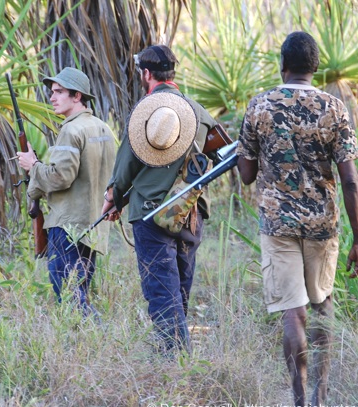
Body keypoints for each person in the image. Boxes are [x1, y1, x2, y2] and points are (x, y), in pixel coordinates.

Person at [237, 32, 358, 407]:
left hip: (278, 224)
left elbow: (245, 174)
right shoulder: (333, 108)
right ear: (316, 66)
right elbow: (350, 180)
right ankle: (320, 401)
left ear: (282, 64)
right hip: (322, 225)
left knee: (293, 316)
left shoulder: (260, 105)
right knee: (323, 306)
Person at [102, 45, 217, 354]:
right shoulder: (200, 112)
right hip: (189, 214)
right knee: (179, 290)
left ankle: (175, 364)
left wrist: (113, 198)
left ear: (147, 74)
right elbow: (216, 157)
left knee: (161, 291)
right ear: (173, 74)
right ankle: (180, 359)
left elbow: (126, 167)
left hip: (151, 214)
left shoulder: (146, 111)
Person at [17, 67, 116, 319]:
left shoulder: (71, 131)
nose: (52, 97)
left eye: (59, 92)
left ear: (77, 96)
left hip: (68, 226)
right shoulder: (103, 128)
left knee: (70, 298)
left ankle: (94, 338)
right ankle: (90, 345)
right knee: (79, 290)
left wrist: (33, 166)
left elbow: (61, 177)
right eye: (52, 92)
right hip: (92, 225)